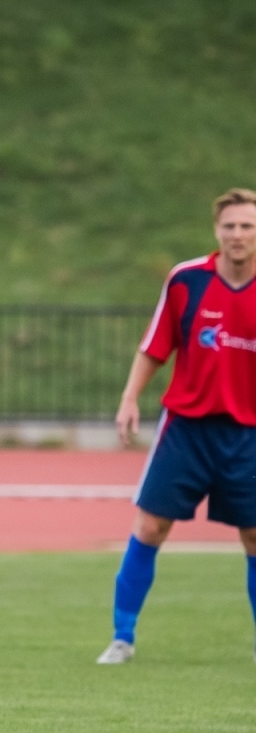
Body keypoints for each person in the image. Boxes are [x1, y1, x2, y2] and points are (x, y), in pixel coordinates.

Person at [99, 188, 256, 665]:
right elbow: (155, 346)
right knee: (151, 526)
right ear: (216, 230)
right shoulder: (187, 280)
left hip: (248, 434)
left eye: (247, 226)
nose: (237, 234)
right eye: (229, 226)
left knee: (254, 536)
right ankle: (122, 638)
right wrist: (130, 397)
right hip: (186, 428)